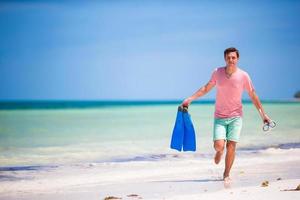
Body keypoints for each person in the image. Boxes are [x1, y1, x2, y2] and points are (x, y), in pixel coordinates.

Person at [182, 47, 272, 182]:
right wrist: (190, 99)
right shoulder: (217, 72)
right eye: (229, 57)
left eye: (233, 58)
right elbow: (206, 88)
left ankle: (226, 174)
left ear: (237, 59)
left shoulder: (243, 76)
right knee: (219, 145)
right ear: (225, 58)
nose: (231, 60)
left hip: (236, 117)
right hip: (220, 116)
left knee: (231, 146)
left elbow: (253, 95)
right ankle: (219, 152)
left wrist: (263, 115)